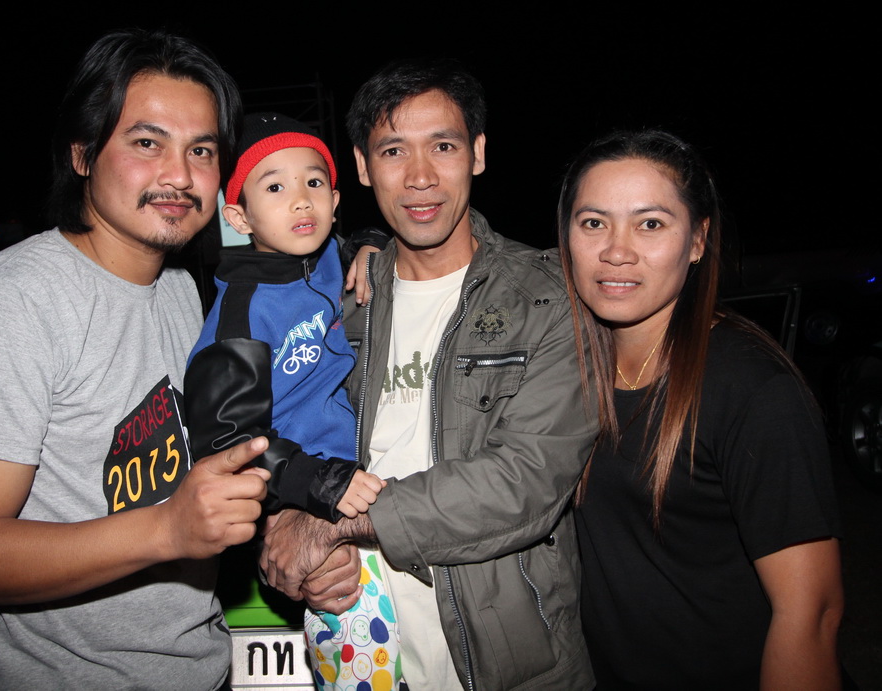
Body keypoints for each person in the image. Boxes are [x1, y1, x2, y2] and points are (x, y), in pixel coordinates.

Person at [0, 30, 270, 690]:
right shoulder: (5, 304)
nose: (179, 174)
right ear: (82, 153)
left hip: (202, 669)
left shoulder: (178, 289)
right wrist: (166, 529)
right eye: (147, 143)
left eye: (200, 150)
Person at [261, 58, 598, 691]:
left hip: (510, 664)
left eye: (443, 146)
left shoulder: (548, 299)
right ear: (362, 167)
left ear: (477, 153)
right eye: (394, 151)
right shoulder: (336, 307)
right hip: (363, 650)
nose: (420, 176)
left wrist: (337, 522)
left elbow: (526, 481)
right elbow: (277, 436)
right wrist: (284, 533)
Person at [558, 130, 844, 689]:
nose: (617, 250)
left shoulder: (752, 389)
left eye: (650, 224)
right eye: (593, 222)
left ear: (697, 240)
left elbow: (812, 614)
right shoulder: (565, 368)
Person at [183, 113, 401, 690]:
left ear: (334, 201)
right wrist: (315, 484)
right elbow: (226, 440)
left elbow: (363, 240)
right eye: (275, 187)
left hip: (358, 476)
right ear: (239, 217)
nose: (300, 200)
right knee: (365, 657)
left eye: (313, 183)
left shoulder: (327, 255)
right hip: (306, 498)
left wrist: (373, 243)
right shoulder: (240, 314)